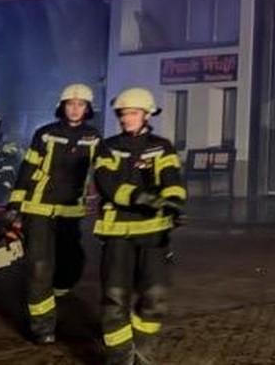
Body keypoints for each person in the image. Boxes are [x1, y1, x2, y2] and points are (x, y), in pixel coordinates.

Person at [93, 88, 185, 365]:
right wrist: (140, 197)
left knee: (155, 297)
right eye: (123, 114)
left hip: (154, 234)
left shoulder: (162, 147)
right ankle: (120, 358)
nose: (126, 119)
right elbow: (107, 184)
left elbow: (172, 180)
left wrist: (174, 204)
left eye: (132, 113)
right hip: (117, 234)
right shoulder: (108, 147)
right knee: (115, 299)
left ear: (146, 115)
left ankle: (142, 351)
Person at [6, 83, 101, 344]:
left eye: (80, 104)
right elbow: (27, 169)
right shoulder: (45, 134)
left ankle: (54, 293)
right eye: (70, 104)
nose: (75, 109)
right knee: (39, 266)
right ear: (62, 106)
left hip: (70, 211)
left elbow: (103, 173)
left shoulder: (94, 137)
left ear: (88, 108)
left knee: (72, 264)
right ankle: (42, 328)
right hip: (39, 209)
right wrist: (14, 206)